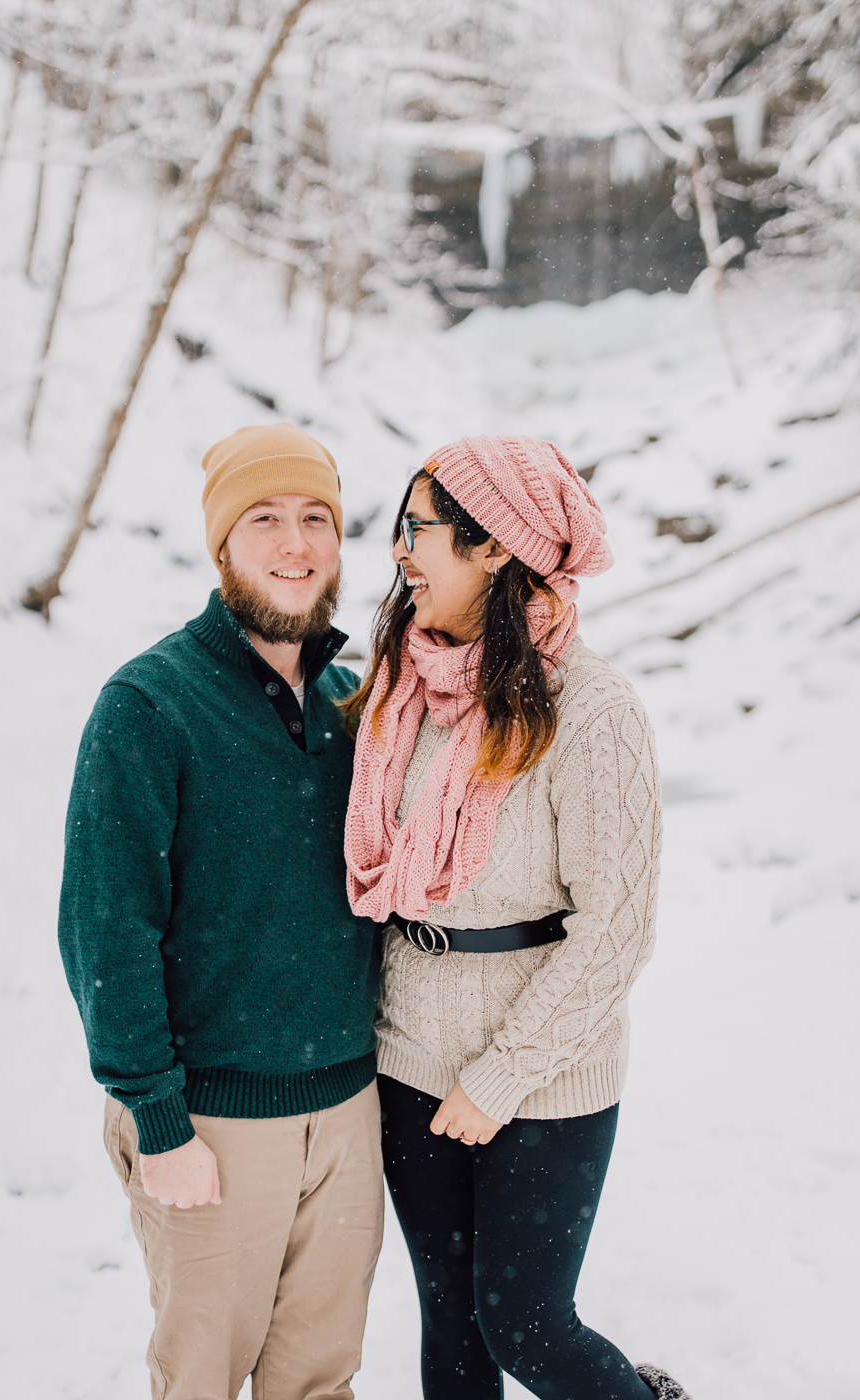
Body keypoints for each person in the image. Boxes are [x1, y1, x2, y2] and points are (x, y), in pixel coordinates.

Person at [343, 435, 692, 1400]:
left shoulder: (593, 712)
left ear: (492, 547)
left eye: (419, 531)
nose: (401, 553)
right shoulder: (403, 693)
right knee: (450, 1325)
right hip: (409, 1053)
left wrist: (499, 1079)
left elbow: (617, 927)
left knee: (527, 1328)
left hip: (544, 1074)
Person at [59, 423, 384, 1400]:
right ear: (222, 544)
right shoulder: (151, 706)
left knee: (321, 1379)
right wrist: (159, 1120)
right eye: (266, 518)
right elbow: (106, 929)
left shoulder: (355, 705)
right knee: (201, 1378)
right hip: (209, 1120)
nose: (296, 543)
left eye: (315, 517)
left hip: (347, 1112)